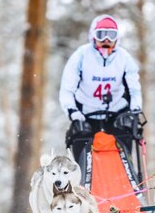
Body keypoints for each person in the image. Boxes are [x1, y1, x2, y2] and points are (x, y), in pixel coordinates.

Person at [59, 14, 143, 161]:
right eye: (101, 35)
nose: (106, 40)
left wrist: (134, 111)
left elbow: (134, 89)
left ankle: (126, 177)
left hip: (116, 112)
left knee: (125, 134)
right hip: (86, 113)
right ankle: (82, 179)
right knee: (80, 139)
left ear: (117, 38)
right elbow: (67, 89)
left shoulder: (124, 58)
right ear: (93, 36)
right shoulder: (81, 55)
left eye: (111, 35)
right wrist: (73, 113)